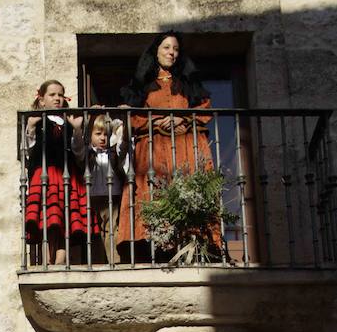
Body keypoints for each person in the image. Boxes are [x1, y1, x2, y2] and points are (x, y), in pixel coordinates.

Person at [116, 31, 221, 261]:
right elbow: (132, 116)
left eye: (175, 49)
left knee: (189, 194)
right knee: (154, 196)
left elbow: (205, 109)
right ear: (155, 52)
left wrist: (181, 118)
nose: (171, 53)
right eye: (166, 47)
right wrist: (154, 121)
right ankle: (155, 249)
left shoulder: (188, 83)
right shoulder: (143, 85)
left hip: (186, 147)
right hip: (153, 150)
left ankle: (192, 249)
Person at [25, 80, 97, 265]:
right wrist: (31, 127)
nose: (57, 98)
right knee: (48, 217)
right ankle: (47, 261)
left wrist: (77, 129)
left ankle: (59, 262)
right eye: (52, 95)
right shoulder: (35, 121)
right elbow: (27, 151)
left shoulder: (69, 122)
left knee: (65, 218)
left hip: (67, 175)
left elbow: (79, 152)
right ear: (41, 100)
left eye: (60, 95)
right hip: (45, 175)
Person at [71, 113, 129, 264]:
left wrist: (118, 127)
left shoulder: (113, 152)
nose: (103, 138)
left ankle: (114, 261)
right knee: (95, 232)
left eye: (106, 134)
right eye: (98, 134)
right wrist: (77, 130)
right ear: (89, 135)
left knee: (112, 230)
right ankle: (97, 263)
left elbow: (122, 145)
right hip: (92, 197)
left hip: (112, 196)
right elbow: (77, 149)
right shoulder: (88, 153)